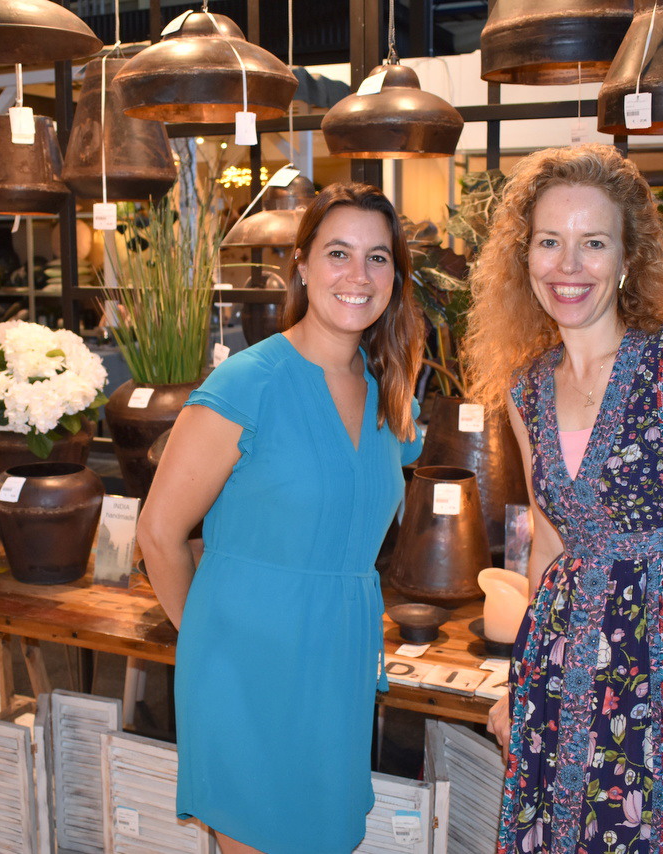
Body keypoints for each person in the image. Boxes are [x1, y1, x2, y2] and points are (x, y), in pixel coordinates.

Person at [464, 144, 663, 853]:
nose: (568, 265)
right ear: (525, 257)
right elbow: (549, 545)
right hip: (558, 679)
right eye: (549, 241)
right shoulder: (527, 389)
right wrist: (517, 683)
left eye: (593, 243)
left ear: (629, 257)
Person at [137, 183, 424, 854]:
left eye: (377, 257)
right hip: (245, 667)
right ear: (301, 264)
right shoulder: (247, 383)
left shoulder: (389, 395)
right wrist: (209, 641)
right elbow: (157, 532)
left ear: (395, 277)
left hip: (339, 664)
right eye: (338, 253)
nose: (358, 275)